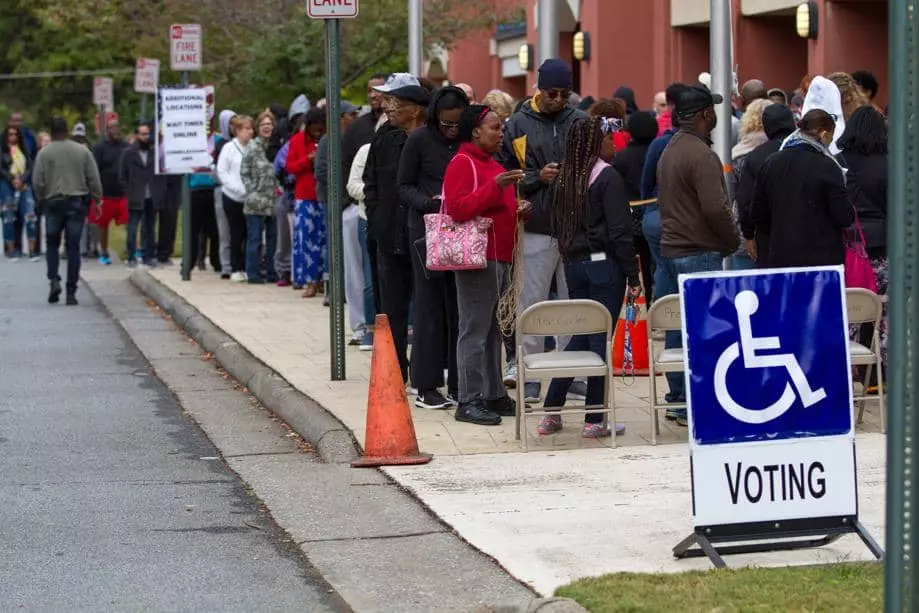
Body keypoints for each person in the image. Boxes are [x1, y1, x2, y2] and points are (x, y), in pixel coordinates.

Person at [536, 115, 641, 438]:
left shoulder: (564, 177)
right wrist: (633, 274)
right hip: (604, 265)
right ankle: (595, 418)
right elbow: (620, 230)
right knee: (598, 340)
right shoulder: (606, 178)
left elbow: (553, 219)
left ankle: (551, 411)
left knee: (581, 336)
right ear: (596, 144)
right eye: (609, 139)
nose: (614, 143)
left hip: (573, 264)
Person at [498, 58, 586, 403]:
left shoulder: (578, 121)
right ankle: (529, 371)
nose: (559, 99)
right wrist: (538, 178)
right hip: (535, 224)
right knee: (530, 301)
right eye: (553, 93)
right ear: (539, 89)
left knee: (571, 301)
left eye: (565, 94)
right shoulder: (518, 123)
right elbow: (506, 172)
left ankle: (571, 374)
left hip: (574, 225)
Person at [656, 86, 740, 425]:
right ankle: (700, 400)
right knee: (705, 330)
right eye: (713, 111)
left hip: (673, 250)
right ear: (705, 114)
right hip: (699, 251)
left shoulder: (670, 149)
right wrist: (732, 239)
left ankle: (679, 398)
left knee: (678, 327)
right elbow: (715, 208)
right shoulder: (702, 155)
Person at [442, 105, 525, 425]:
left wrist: (517, 207)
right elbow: (458, 209)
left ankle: (493, 393)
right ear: (475, 131)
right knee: (475, 330)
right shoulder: (462, 163)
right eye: (494, 127)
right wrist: (497, 188)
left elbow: (492, 205)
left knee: (493, 330)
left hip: (498, 256)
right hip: (478, 258)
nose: (500, 132)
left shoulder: (491, 164)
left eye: (501, 127)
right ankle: (469, 399)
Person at [398, 85, 469, 409]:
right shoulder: (419, 140)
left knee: (459, 308)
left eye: (457, 123)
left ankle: (459, 382)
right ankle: (426, 384)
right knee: (428, 308)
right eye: (446, 123)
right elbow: (403, 186)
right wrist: (429, 204)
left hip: (462, 229)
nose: (451, 129)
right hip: (427, 229)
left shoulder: (467, 141)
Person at [364, 73, 430, 383]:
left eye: (396, 103)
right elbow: (371, 182)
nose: (388, 107)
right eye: (388, 102)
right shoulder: (384, 138)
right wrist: (376, 214)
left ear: (416, 109)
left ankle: (425, 372)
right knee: (391, 308)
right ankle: (393, 368)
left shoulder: (430, 139)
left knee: (427, 308)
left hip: (423, 236)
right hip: (388, 235)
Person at [751, 109, 853, 268]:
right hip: (823, 259)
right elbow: (844, 216)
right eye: (831, 136)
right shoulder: (828, 166)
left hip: (781, 255)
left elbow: (758, 212)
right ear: (823, 134)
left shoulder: (772, 162)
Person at [640, 83, 687, 411]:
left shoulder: (660, 144)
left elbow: (645, 184)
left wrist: (650, 213)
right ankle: (682, 393)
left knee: (671, 300)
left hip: (657, 220)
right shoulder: (697, 146)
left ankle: (675, 394)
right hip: (682, 227)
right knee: (685, 305)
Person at [836, 106, 888, 374]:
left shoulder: (837, 160)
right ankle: (879, 370)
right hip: (883, 246)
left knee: (852, 306)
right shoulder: (890, 164)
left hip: (848, 245)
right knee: (881, 308)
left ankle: (850, 365)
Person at [32, 118, 102, 305]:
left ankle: (54, 278)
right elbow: (93, 177)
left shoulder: (44, 153)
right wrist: (97, 198)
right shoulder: (82, 151)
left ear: (52, 132)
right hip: (76, 202)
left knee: (53, 244)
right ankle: (71, 291)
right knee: (73, 247)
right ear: (67, 131)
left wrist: (41, 197)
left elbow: (37, 180)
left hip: (54, 202)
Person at [735, 103, 797, 264]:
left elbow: (746, 200)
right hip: (807, 233)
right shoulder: (810, 151)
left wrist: (748, 235)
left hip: (768, 235)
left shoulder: (756, 156)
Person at [314, 101, 360, 304]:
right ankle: (332, 290)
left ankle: (346, 290)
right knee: (333, 245)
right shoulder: (328, 140)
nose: (354, 118)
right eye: (351, 114)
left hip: (349, 201)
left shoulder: (352, 138)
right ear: (341, 117)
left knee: (348, 249)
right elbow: (322, 171)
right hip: (332, 201)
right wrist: (338, 193)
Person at [610, 110, 658, 299]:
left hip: (630, 217)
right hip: (656, 212)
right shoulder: (659, 153)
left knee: (637, 264)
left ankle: (638, 303)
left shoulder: (621, 157)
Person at [286, 107, 327, 295]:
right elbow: (289, 167)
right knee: (307, 241)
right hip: (305, 198)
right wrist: (307, 160)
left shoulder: (329, 140)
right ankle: (310, 281)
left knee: (324, 240)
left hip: (324, 197)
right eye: (315, 130)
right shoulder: (296, 141)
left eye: (321, 129)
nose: (318, 133)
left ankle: (323, 280)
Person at [729, 98, 773, 270]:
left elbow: (731, 194)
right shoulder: (781, 149)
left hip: (743, 227)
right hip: (773, 228)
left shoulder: (737, 153)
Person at [273, 95, 310, 287]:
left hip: (309, 197)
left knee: (305, 239)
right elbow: (281, 167)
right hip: (291, 196)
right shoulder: (290, 145)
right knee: (287, 237)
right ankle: (287, 271)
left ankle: (304, 274)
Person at [240, 110, 280, 284]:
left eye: (269, 124)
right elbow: (244, 171)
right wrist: (252, 190)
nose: (266, 127)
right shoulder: (252, 147)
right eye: (263, 125)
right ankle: (253, 274)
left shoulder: (277, 146)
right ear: (258, 128)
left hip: (273, 200)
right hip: (255, 201)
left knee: (273, 239)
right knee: (254, 238)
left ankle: (272, 272)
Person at [216, 114, 254, 282]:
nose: (250, 132)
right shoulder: (229, 148)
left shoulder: (253, 147)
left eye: (251, 128)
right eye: (247, 129)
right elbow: (222, 171)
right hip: (232, 196)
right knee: (235, 232)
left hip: (250, 197)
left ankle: (248, 267)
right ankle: (235, 267)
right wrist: (237, 188)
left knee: (249, 233)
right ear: (238, 131)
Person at [118, 122, 158, 267]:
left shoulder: (154, 152)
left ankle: (148, 255)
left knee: (149, 228)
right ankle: (131, 256)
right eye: (143, 134)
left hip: (151, 195)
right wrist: (128, 191)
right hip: (135, 195)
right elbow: (122, 175)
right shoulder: (129, 153)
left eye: (147, 134)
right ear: (136, 135)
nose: (146, 137)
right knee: (133, 227)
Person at [90, 119, 128, 265]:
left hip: (123, 191)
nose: (116, 130)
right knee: (103, 224)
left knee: (128, 222)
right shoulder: (99, 148)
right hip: (105, 192)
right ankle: (104, 251)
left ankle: (129, 250)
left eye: (117, 127)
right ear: (107, 130)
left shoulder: (125, 147)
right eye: (112, 127)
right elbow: (94, 169)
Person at [1, 124, 37, 260]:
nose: (13, 137)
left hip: (24, 184)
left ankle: (32, 250)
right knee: (8, 216)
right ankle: (11, 250)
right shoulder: (3, 150)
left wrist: (22, 179)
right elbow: (1, 169)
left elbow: (30, 166)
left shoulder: (23, 149)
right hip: (7, 185)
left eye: (15, 134)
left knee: (30, 215)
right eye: (10, 134)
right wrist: (12, 179)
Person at [214, 109, 237, 278]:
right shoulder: (220, 145)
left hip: (239, 190)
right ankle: (226, 265)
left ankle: (237, 263)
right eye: (230, 123)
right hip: (223, 190)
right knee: (224, 230)